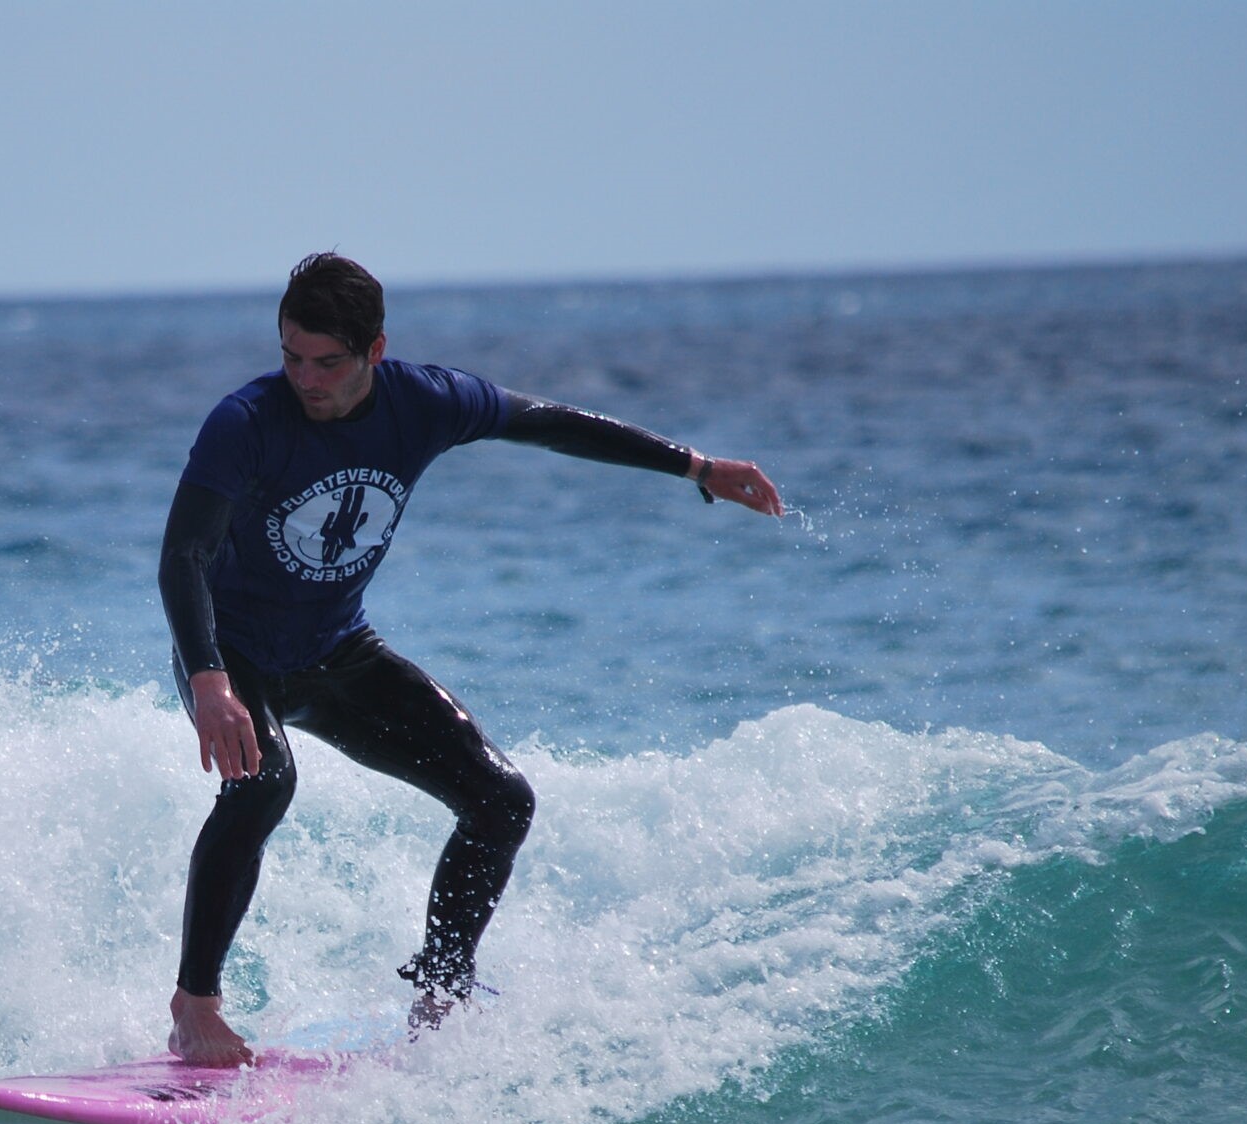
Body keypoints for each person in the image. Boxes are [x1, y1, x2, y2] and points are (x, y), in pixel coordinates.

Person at [159, 253, 784, 1067]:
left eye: (328, 362)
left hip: (335, 651)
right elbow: (184, 555)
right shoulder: (246, 423)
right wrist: (209, 680)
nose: (306, 379)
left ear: (375, 351)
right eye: (291, 357)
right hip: (229, 654)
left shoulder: (426, 402)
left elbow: (548, 422)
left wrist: (696, 466)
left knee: (501, 799)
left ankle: (440, 999)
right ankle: (194, 1007)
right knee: (265, 782)